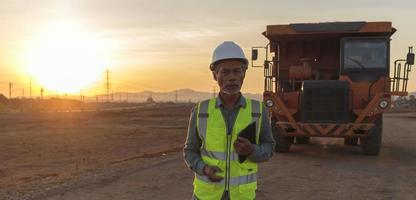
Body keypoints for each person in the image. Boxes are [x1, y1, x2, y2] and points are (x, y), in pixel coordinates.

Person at [183, 41, 275, 200]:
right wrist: (203, 168)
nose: (232, 77)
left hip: (242, 196)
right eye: (225, 72)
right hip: (206, 196)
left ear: (244, 74)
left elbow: (269, 148)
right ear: (215, 75)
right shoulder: (201, 111)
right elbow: (190, 151)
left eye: (236, 71)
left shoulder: (258, 111)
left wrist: (251, 151)